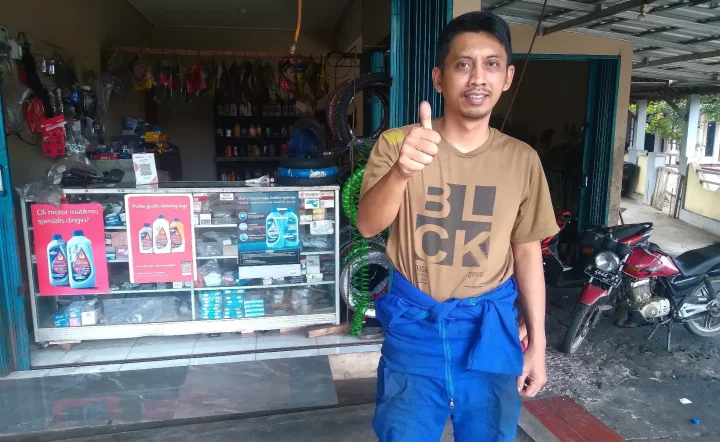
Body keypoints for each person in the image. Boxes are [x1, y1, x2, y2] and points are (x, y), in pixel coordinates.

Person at [355, 11, 559, 442]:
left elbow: (527, 253)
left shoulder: (523, 160)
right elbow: (369, 225)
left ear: (507, 77)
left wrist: (538, 345)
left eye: (491, 64)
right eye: (463, 64)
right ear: (439, 78)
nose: (477, 77)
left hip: (489, 332)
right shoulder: (399, 144)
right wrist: (401, 172)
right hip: (415, 330)